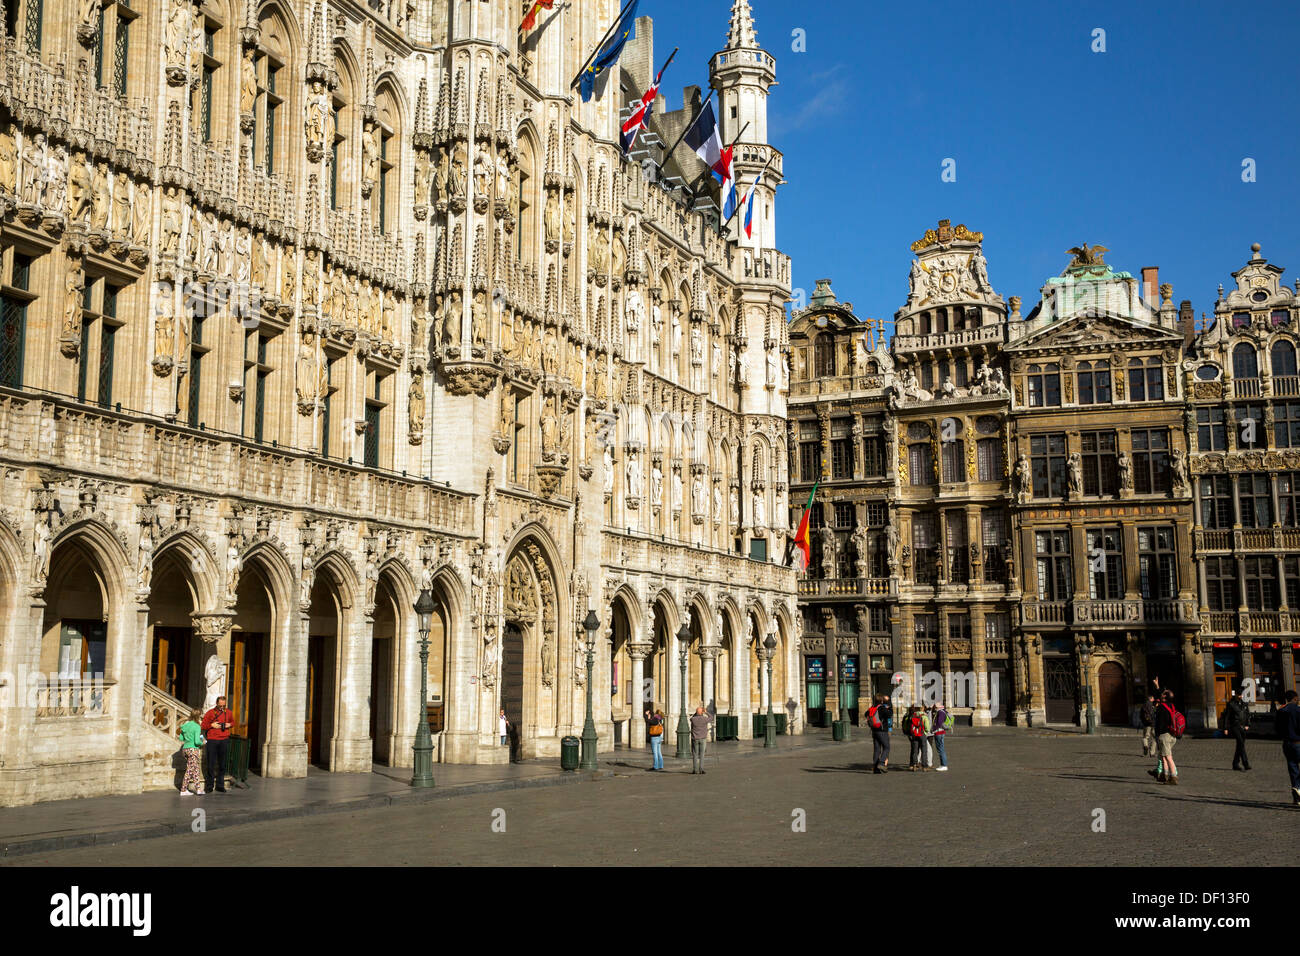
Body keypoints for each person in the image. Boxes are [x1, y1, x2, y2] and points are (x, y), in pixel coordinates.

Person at [200, 696, 233, 794]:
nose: (222, 707)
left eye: (224, 705)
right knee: (211, 763)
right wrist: (211, 725)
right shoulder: (210, 713)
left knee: (222, 764)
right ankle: (209, 786)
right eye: (220, 705)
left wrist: (229, 725)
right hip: (212, 740)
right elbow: (203, 726)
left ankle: (220, 785)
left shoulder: (229, 712)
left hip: (224, 740)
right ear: (217, 703)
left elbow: (232, 722)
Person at [1275, 689, 1300, 807]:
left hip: (1286, 743)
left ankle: (1296, 792)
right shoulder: (1298, 710)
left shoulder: (1281, 712)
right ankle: (1298, 787)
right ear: (1295, 699)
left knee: (1292, 766)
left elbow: (1276, 729)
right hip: (1298, 742)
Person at [1148, 689, 1179, 785]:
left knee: (1168, 757)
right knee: (1163, 757)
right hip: (1172, 735)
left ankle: (1173, 777)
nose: (1161, 695)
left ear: (1165, 697)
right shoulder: (1172, 706)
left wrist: (1157, 735)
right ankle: (1164, 776)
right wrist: (1157, 687)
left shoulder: (1162, 707)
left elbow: (1159, 723)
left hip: (1164, 735)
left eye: (1163, 694)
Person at [1222, 687, 1251, 772]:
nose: (1240, 696)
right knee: (1241, 743)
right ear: (1236, 695)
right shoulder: (1231, 704)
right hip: (1235, 726)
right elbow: (1226, 717)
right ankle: (1245, 764)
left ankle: (1235, 764)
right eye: (1239, 695)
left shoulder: (1244, 704)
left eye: (1241, 695)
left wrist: (1248, 724)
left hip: (1243, 727)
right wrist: (1225, 728)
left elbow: (1248, 715)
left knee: (1240, 745)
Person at [178, 709, 205, 796]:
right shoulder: (197, 726)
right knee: (190, 770)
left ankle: (198, 789)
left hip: (185, 749)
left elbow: (181, 738)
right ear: (198, 716)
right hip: (193, 749)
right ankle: (183, 789)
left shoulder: (185, 725)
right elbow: (197, 742)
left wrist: (189, 737)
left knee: (195, 769)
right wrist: (203, 742)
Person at [867, 694, 892, 774]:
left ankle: (875, 768)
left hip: (874, 731)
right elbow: (889, 715)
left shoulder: (872, 708)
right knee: (886, 747)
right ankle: (881, 763)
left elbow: (866, 714)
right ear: (881, 701)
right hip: (882, 730)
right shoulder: (881, 708)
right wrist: (889, 709)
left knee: (877, 749)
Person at [689, 705, 710, 774]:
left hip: (695, 739)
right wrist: (706, 712)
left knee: (695, 754)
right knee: (702, 755)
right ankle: (701, 769)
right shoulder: (704, 719)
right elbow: (711, 718)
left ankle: (695, 770)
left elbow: (691, 718)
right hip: (703, 738)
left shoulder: (693, 719)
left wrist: (696, 713)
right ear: (702, 713)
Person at [906, 705, 928, 771]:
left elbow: (908, 726)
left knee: (915, 750)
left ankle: (914, 765)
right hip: (922, 734)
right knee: (924, 750)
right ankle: (924, 766)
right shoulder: (924, 716)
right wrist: (925, 732)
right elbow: (927, 727)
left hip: (914, 735)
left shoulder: (911, 716)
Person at [645, 707, 665, 771]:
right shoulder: (660, 719)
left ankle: (655, 766)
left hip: (654, 737)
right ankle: (661, 765)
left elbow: (648, 721)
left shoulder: (655, 719)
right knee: (659, 752)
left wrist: (647, 715)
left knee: (655, 753)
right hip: (659, 737)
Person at [931, 701, 949, 771]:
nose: (935, 707)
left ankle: (944, 765)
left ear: (939, 706)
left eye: (935, 706)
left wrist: (933, 729)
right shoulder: (941, 711)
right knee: (941, 749)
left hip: (939, 732)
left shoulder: (940, 712)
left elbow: (939, 723)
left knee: (941, 749)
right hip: (940, 732)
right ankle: (943, 765)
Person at [1139, 691, 1157, 757]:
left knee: (1145, 737)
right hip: (1153, 724)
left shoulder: (1143, 705)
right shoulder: (1152, 706)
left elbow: (1140, 715)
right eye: (1153, 698)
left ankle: (1145, 745)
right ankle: (1152, 753)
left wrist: (1143, 721)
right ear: (1150, 698)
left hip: (1146, 724)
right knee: (1154, 738)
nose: (1154, 699)